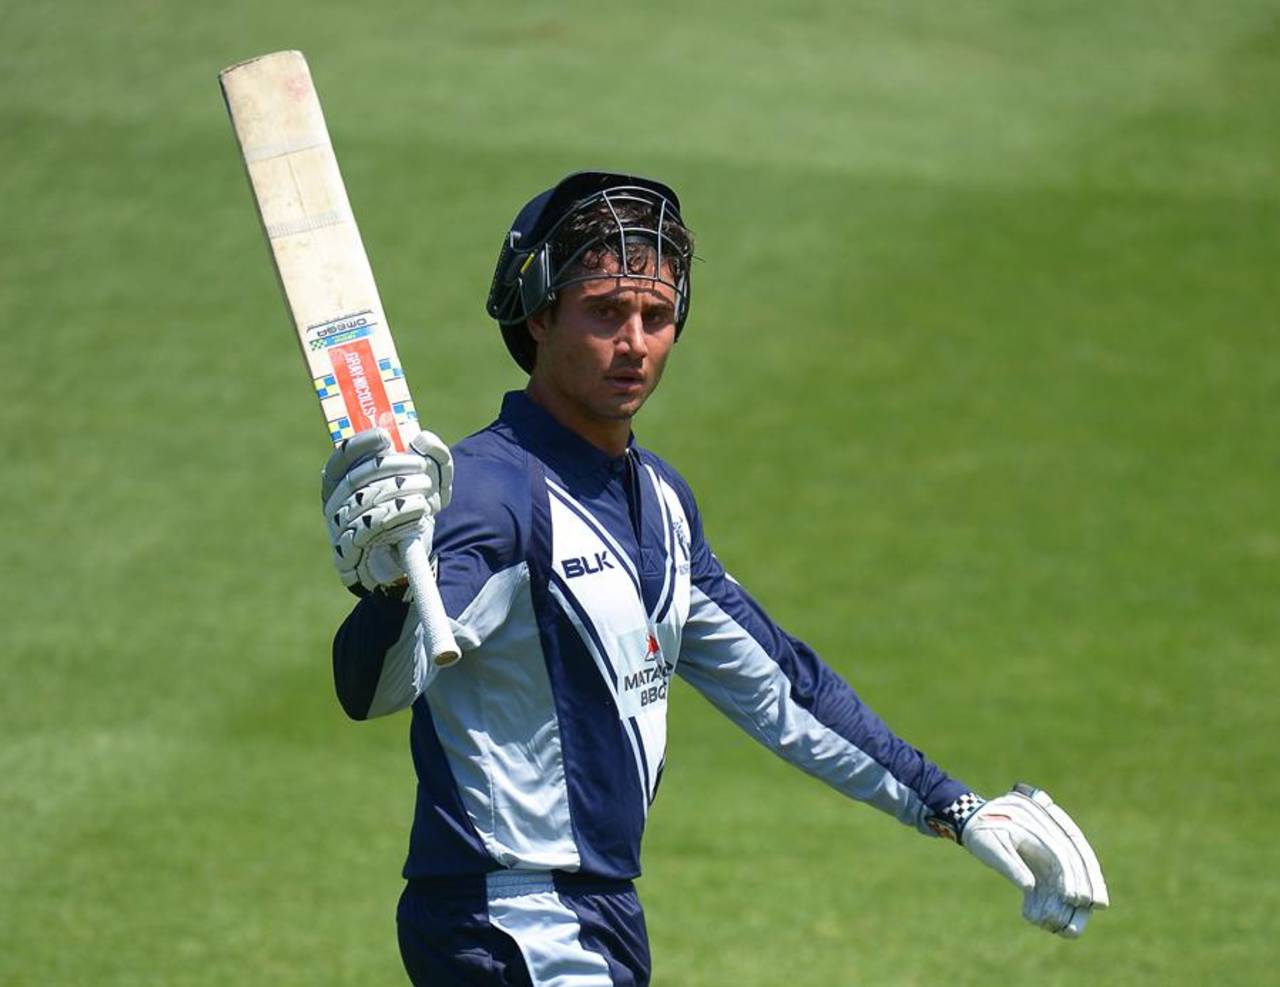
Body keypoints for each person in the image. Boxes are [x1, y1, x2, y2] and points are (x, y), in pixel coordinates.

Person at [319, 172, 1109, 986]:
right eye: (604, 312)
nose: (634, 343)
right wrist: (388, 591)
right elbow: (372, 687)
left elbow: (783, 690)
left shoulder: (661, 502)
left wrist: (954, 806)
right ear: (540, 315)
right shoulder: (487, 494)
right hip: (506, 921)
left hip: (599, 917)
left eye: (655, 317)